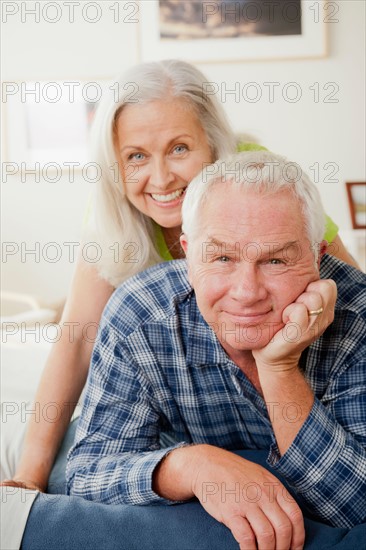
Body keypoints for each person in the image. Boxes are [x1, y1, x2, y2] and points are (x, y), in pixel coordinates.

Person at [1, 60, 360, 494]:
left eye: (179, 149)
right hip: (181, 411)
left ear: (213, 143)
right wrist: (30, 476)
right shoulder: (113, 218)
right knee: (67, 476)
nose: (161, 177)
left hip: (281, 400)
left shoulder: (266, 189)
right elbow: (77, 341)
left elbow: (347, 297)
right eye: (136, 156)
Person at [66, 151, 366, 549]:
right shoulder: (139, 314)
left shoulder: (357, 316)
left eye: (275, 260)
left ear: (317, 257)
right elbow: (87, 474)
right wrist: (191, 466)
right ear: (188, 253)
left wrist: (280, 368)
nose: (246, 292)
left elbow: (356, 507)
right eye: (222, 257)